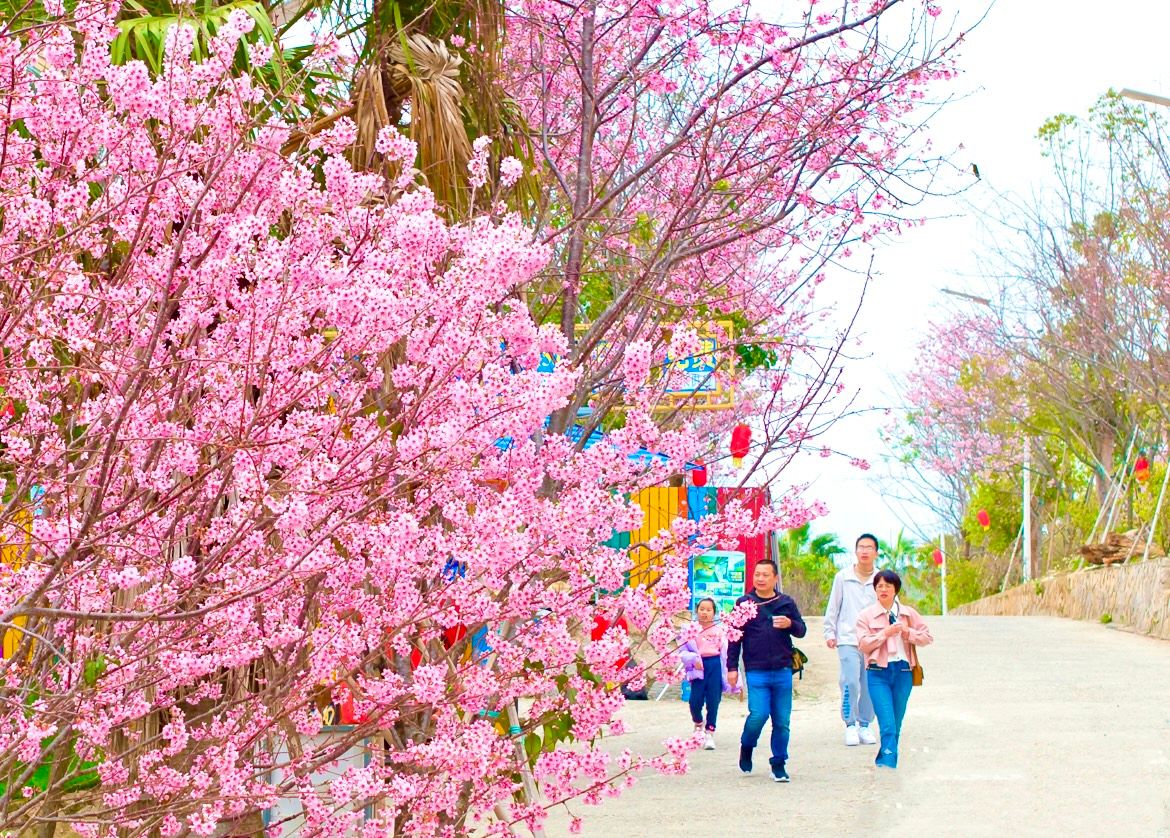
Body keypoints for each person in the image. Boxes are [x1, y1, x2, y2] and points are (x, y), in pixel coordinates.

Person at [727, 558, 806, 783]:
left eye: (765, 575)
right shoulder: (744, 603)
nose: (760, 579)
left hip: (782, 670)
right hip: (756, 670)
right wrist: (732, 668)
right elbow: (734, 639)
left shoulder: (786, 602)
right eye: (757, 574)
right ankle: (747, 745)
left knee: (782, 720)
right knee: (759, 714)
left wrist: (790, 624)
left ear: (775, 578)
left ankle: (779, 763)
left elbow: (802, 630)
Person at [856, 569, 933, 769]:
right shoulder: (866, 615)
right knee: (887, 723)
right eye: (879, 586)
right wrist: (885, 633)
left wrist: (907, 632)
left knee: (896, 723)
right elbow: (863, 644)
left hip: (903, 672)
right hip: (877, 672)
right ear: (874, 589)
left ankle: (884, 758)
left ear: (895, 589)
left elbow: (927, 637)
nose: (883, 590)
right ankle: (889, 766)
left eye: (888, 586)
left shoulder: (908, 614)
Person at [823, 533, 879, 746]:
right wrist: (830, 632)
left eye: (869, 547)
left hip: (875, 641)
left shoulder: (881, 579)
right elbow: (833, 606)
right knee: (850, 682)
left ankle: (865, 724)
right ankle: (850, 724)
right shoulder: (843, 577)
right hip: (848, 638)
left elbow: (892, 606)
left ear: (876, 552)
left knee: (870, 684)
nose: (864, 551)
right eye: (860, 547)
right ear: (856, 551)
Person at [679, 597, 730, 750]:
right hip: (698, 666)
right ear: (696, 610)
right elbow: (682, 651)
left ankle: (709, 732)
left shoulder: (720, 630)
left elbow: (726, 653)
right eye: (702, 609)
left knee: (714, 700)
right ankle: (698, 723)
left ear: (714, 612)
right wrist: (693, 658)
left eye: (708, 610)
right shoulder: (689, 630)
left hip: (715, 664)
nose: (705, 613)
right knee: (695, 701)